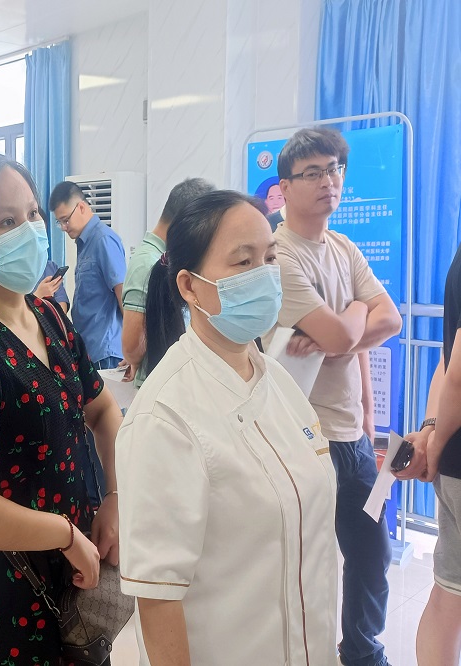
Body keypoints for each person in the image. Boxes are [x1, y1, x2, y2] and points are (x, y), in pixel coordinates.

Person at [116, 190, 338, 664]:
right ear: (189, 286)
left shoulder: (279, 381)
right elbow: (157, 598)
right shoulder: (165, 416)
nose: (264, 274)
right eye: (243, 262)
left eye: (270, 258)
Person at [0, 155, 122, 666]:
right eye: (7, 222)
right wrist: (65, 535)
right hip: (10, 593)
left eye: (33, 214)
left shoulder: (49, 316)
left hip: (75, 571)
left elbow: (103, 411)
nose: (31, 230)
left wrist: (113, 498)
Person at [270, 127, 402, 666]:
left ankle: (363, 653)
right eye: (313, 173)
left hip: (351, 437)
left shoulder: (343, 247)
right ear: (284, 186)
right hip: (303, 438)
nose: (329, 181)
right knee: (309, 564)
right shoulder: (279, 254)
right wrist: (354, 317)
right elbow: (350, 331)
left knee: (372, 556)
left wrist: (341, 336)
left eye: (334, 170)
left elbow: (391, 320)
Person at [393, 241, 461, 666]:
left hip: (454, 463)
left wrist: (432, 430)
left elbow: (448, 358)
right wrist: (433, 438)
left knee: (448, 593)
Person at [49, 181, 126, 504]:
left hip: (105, 352)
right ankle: (95, 500)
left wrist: (132, 348)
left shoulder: (104, 240)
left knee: (106, 432)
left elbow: (123, 296)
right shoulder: (84, 243)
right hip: (88, 351)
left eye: (66, 219)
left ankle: (112, 500)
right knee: (89, 432)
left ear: (82, 207)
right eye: (59, 223)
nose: (64, 228)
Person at [121, 177, 215, 386]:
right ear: (187, 222)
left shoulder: (168, 258)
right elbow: (132, 347)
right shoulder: (147, 263)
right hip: (160, 384)